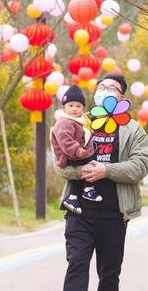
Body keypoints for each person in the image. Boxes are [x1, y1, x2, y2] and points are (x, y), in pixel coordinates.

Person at [54, 74, 148, 291]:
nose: (105, 90)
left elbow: (141, 166)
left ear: (121, 96)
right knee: (76, 265)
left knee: (109, 275)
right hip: (78, 211)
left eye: (111, 88)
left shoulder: (132, 129)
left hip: (114, 214)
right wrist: (82, 173)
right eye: (101, 86)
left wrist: (106, 170)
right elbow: (59, 164)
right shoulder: (77, 121)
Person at [51, 84, 98, 216]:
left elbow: (85, 123)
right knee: (87, 167)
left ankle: (73, 198)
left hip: (77, 155)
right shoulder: (64, 123)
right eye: (70, 106)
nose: (74, 109)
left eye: (78, 106)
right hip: (70, 156)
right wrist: (76, 150)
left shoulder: (78, 120)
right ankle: (88, 189)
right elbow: (65, 141)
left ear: (83, 108)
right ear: (63, 108)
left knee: (77, 177)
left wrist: (89, 117)